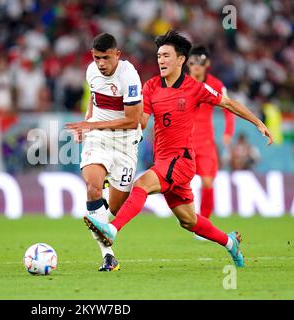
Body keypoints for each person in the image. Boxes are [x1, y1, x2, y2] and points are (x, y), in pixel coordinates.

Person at [84, 30, 273, 268]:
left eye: (166, 55)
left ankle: (111, 229)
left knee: (141, 185)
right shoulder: (151, 86)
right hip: (163, 161)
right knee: (189, 221)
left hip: (181, 160)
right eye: (159, 55)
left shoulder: (195, 88)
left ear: (181, 60)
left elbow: (228, 103)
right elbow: (141, 121)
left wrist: (258, 123)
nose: (160, 60)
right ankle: (230, 242)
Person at [66, 33, 142, 271]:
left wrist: (92, 124)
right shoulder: (91, 71)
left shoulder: (129, 76)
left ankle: (105, 199)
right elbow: (94, 100)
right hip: (99, 139)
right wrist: (87, 122)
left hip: (125, 142)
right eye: (97, 58)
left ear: (117, 55)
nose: (101, 63)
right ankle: (108, 255)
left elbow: (132, 120)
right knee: (92, 187)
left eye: (106, 58)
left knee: (118, 209)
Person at [187, 46, 235, 237]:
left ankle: (203, 224)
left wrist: (228, 132)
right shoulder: (180, 83)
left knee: (207, 182)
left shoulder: (216, 84)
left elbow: (229, 108)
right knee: (178, 183)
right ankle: (186, 216)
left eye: (199, 63)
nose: (195, 67)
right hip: (184, 142)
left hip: (206, 143)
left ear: (207, 64)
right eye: (192, 63)